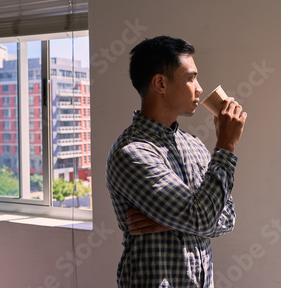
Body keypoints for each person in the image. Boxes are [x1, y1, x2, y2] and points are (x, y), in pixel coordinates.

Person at [106, 35, 247, 287]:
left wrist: (168, 221)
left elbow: (227, 218)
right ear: (160, 83)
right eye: (191, 78)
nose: (200, 88)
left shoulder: (193, 145)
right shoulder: (132, 152)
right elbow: (203, 219)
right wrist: (226, 145)